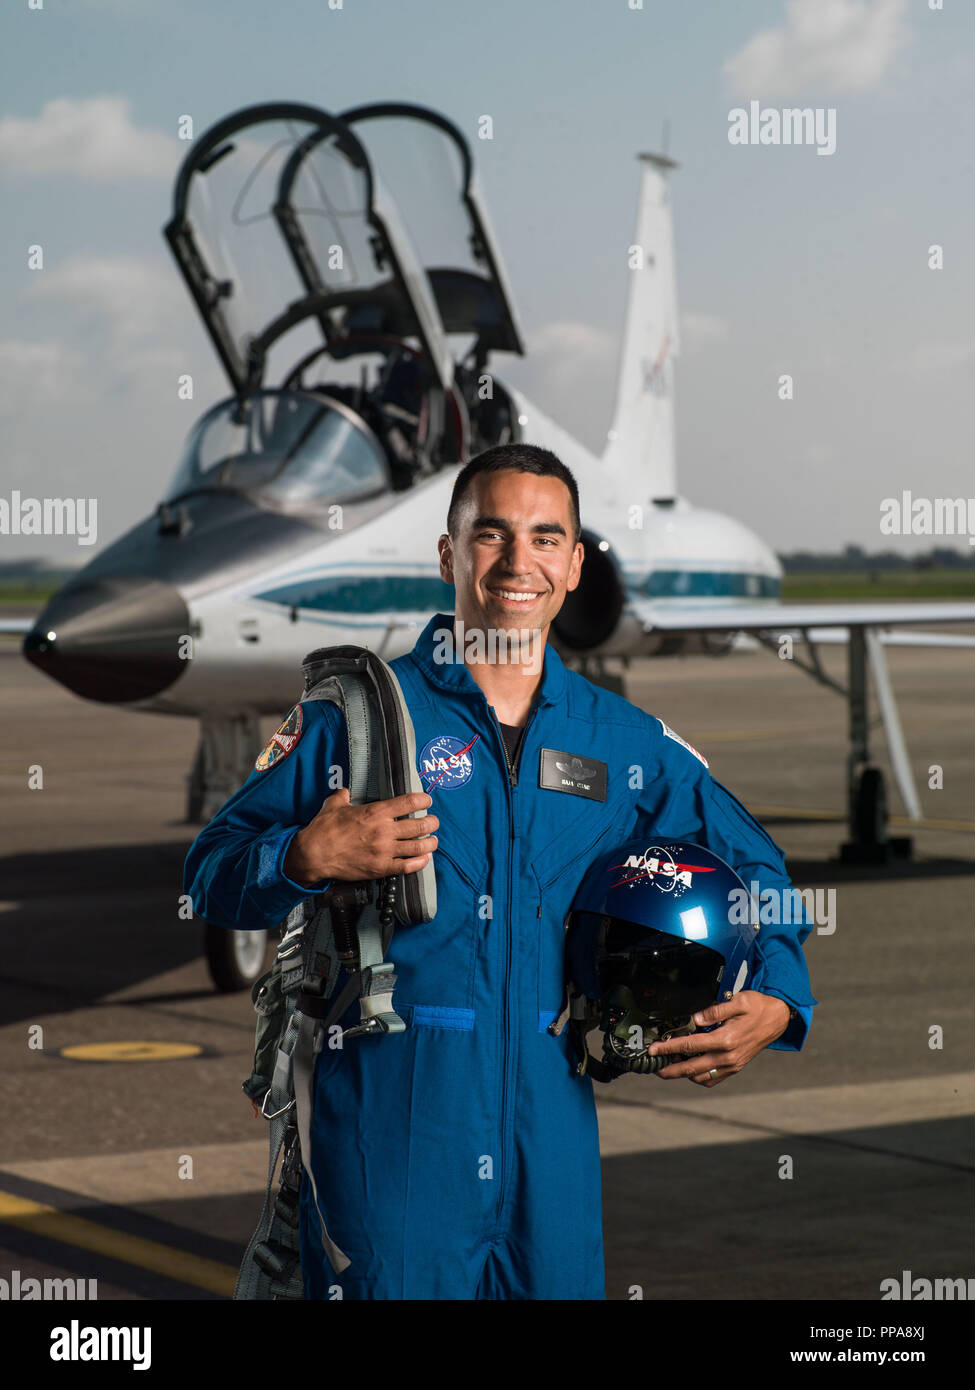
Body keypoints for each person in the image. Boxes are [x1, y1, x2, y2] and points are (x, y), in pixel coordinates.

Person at [184, 443, 816, 1300]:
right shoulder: (358, 721)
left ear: (574, 564)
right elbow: (209, 872)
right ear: (448, 554)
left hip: (551, 1116)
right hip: (394, 1116)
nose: (518, 562)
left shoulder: (624, 742)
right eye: (491, 534)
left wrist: (777, 997)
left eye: (545, 538)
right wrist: (303, 855)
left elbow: (758, 868)